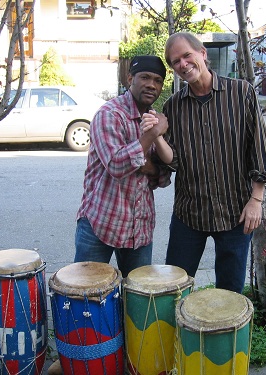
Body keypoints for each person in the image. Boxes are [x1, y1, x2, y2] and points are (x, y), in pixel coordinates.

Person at [161, 32, 266, 293]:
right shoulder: (173, 107)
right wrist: (156, 136)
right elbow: (174, 161)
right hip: (189, 213)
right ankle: (177, 334)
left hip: (236, 212)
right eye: (175, 61)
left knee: (230, 293)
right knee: (173, 287)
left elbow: (257, 147)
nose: (182, 64)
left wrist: (256, 200)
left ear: (202, 53)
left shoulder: (241, 93)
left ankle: (227, 335)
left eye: (186, 55)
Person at [74, 55, 171, 278]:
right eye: (145, 77)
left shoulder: (155, 118)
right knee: (87, 296)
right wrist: (153, 134)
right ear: (130, 78)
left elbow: (165, 175)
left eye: (157, 80)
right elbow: (117, 165)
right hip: (100, 223)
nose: (151, 85)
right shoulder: (108, 115)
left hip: (139, 227)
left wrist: (149, 167)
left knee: (137, 302)